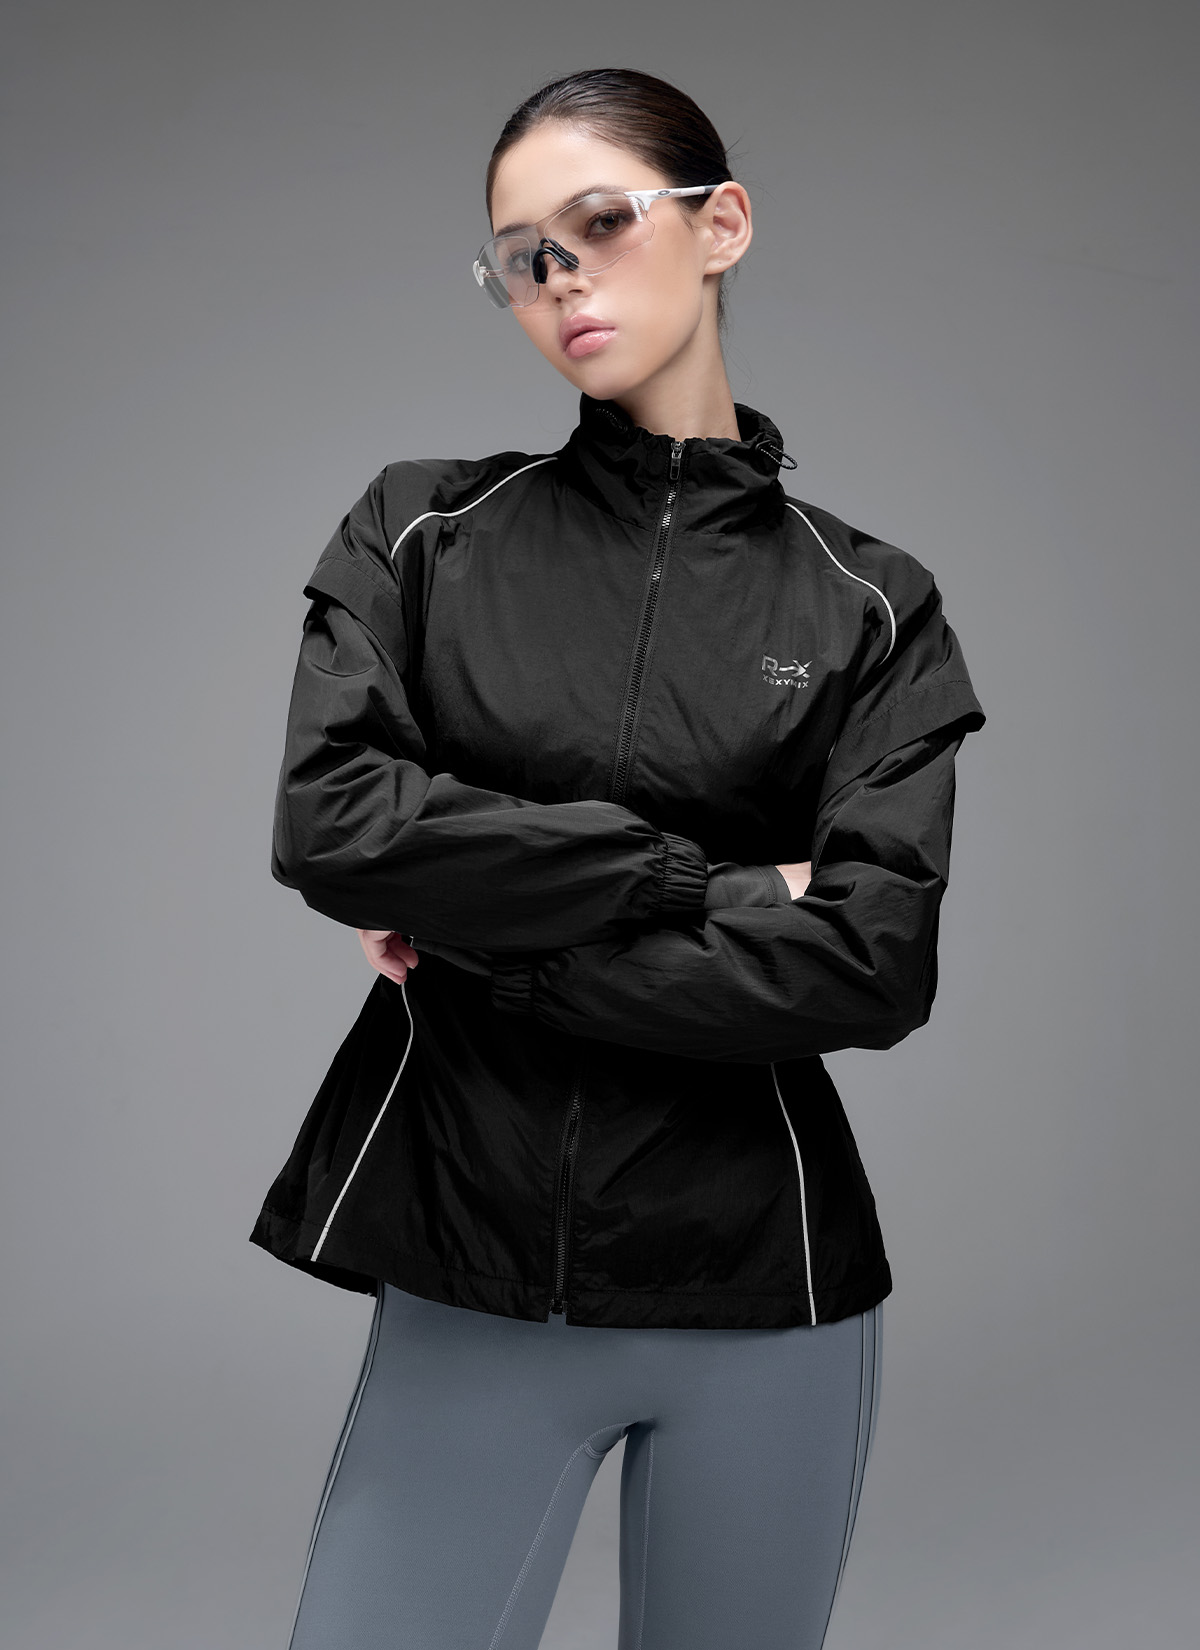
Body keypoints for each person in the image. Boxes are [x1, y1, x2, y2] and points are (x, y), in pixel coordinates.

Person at [251, 66, 986, 1650]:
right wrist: (707, 885)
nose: (560, 278)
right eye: (522, 256)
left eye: (599, 223)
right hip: (469, 1259)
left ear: (721, 225)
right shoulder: (422, 534)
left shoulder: (871, 604)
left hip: (767, 1285)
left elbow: (872, 959)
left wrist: (488, 940)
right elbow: (334, 823)